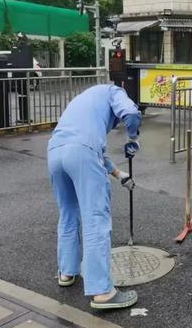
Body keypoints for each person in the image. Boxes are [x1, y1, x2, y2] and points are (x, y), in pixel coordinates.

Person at [48, 84, 142, 309]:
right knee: (95, 220)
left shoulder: (84, 100)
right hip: (80, 153)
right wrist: (133, 138)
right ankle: (102, 292)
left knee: (68, 214)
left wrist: (119, 174)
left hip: (54, 153)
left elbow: (92, 150)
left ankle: (67, 272)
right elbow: (130, 114)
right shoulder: (114, 92)